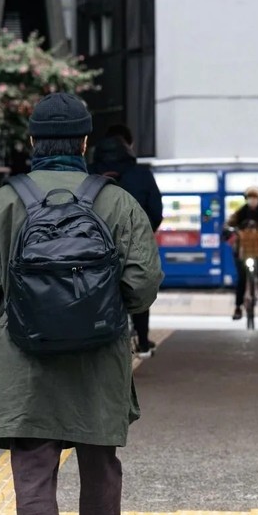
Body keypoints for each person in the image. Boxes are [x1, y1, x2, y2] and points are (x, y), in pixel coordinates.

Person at [0, 93, 163, 515]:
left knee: (32, 470)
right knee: (99, 461)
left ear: (32, 144)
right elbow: (141, 285)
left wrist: (25, 313)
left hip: (26, 360)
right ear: (85, 143)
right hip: (99, 356)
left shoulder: (2, 203)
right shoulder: (117, 202)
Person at [90, 123, 163, 358]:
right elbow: (156, 211)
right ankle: (142, 340)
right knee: (140, 281)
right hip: (132, 244)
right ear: (129, 145)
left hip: (92, 247)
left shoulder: (87, 172)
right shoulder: (141, 174)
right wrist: (144, 234)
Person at [224, 185, 258, 320]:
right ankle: (238, 307)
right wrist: (230, 230)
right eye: (250, 198)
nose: (253, 200)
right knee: (241, 278)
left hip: (257, 248)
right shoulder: (240, 212)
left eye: (255, 198)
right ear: (246, 199)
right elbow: (229, 224)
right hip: (241, 249)